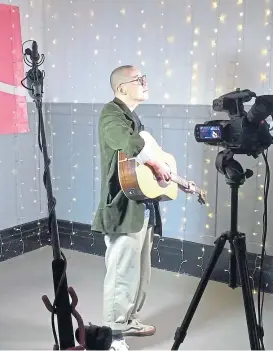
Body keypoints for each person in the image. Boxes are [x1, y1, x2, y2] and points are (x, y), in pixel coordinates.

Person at [92, 65, 195, 351]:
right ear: (122, 88)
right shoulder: (111, 114)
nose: (145, 83)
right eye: (140, 80)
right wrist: (155, 164)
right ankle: (112, 333)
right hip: (123, 208)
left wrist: (176, 179)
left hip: (142, 208)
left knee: (140, 272)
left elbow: (148, 155)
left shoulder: (133, 118)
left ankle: (128, 319)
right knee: (122, 272)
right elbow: (127, 143)